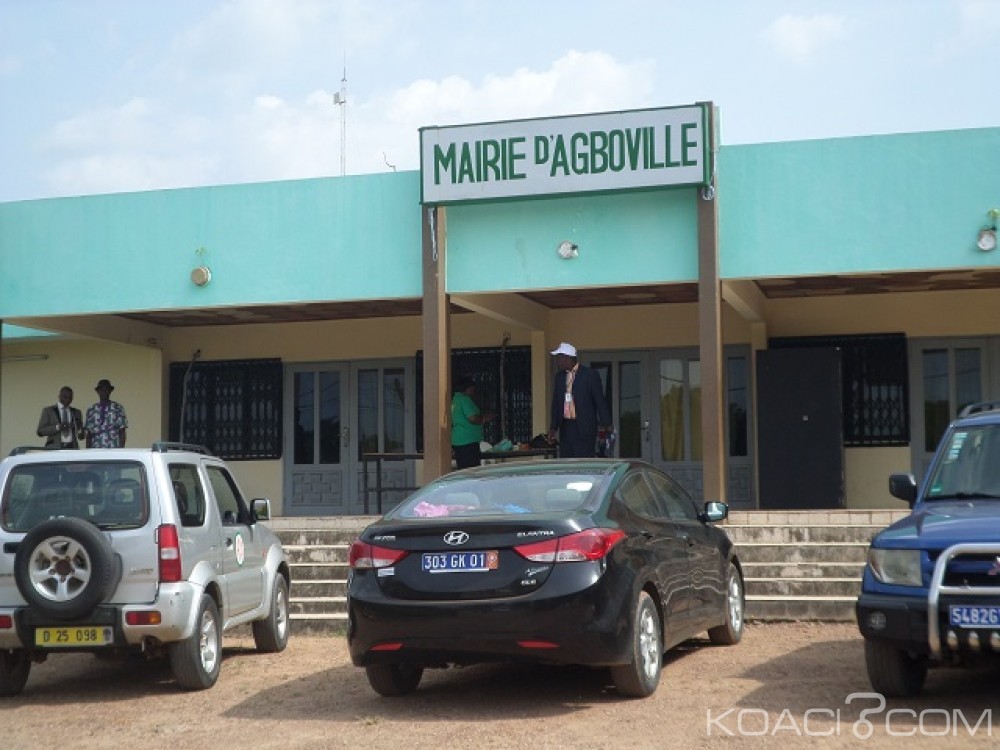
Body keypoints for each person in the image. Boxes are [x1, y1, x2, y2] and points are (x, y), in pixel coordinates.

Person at [548, 342, 612, 458]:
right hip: (566, 427)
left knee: (584, 460)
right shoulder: (559, 377)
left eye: (560, 358)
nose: (558, 361)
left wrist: (607, 424)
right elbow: (556, 404)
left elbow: (600, 401)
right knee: (567, 460)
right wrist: (553, 427)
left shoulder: (589, 375)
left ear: (567, 358)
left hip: (584, 427)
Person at [451, 375, 494, 469]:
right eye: (472, 389)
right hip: (468, 441)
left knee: (463, 469)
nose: (473, 391)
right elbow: (473, 418)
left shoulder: (455, 399)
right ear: (467, 388)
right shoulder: (464, 399)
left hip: (458, 440)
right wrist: (484, 419)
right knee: (471, 470)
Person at [85, 379, 129, 448]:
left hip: (113, 449)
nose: (104, 392)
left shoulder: (118, 408)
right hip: (95, 451)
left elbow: (122, 431)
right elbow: (89, 434)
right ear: (98, 392)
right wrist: (88, 452)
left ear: (110, 391)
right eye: (101, 390)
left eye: (106, 389)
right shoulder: (91, 410)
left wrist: (120, 451)